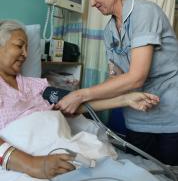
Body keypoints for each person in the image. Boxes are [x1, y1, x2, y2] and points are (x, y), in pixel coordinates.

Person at [55, 0, 178, 166]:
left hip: (170, 116)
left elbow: (136, 77)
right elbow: (119, 78)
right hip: (137, 117)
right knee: (143, 174)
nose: (92, 3)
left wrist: (80, 94)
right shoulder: (109, 31)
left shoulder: (144, 13)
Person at [0, 20, 159, 179]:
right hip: (26, 158)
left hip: (61, 148)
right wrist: (31, 163)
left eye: (27, 48)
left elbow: (73, 105)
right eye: (19, 46)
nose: (26, 54)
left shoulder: (35, 85)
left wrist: (125, 100)